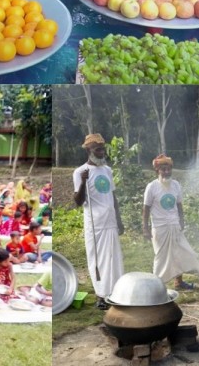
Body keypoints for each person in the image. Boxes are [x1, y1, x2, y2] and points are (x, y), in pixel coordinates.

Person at [73, 133, 124, 310]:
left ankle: (116, 291)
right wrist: (83, 183)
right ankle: (100, 295)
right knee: (97, 260)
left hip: (110, 221)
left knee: (114, 258)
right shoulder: (80, 172)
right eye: (98, 149)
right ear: (89, 150)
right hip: (95, 224)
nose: (102, 152)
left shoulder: (107, 171)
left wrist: (119, 220)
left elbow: (113, 196)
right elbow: (78, 202)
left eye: (103, 149)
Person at [142, 155, 199, 290]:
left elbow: (179, 205)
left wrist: (182, 221)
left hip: (174, 225)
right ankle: (156, 286)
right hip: (160, 227)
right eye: (163, 169)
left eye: (169, 169)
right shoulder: (152, 187)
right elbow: (146, 209)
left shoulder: (176, 185)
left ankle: (178, 282)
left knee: (178, 254)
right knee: (161, 257)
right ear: (157, 171)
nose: (167, 172)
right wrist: (145, 228)